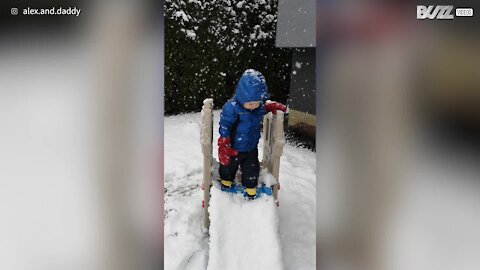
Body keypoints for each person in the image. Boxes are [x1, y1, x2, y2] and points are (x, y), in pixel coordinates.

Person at [218, 69, 286, 199]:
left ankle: (250, 189)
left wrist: (268, 107)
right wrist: (224, 141)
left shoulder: (257, 108)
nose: (253, 107)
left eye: (257, 103)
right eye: (250, 104)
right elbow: (225, 124)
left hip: (250, 148)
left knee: (252, 170)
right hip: (234, 147)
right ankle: (226, 182)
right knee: (228, 166)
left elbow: (262, 108)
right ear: (242, 97)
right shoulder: (232, 108)